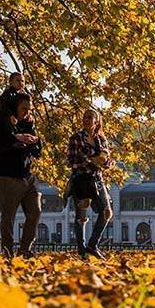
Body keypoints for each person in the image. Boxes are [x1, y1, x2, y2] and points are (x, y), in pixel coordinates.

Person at [0, 92, 43, 258]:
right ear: (15, 107)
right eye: (23, 108)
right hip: (7, 177)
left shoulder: (29, 125)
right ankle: (8, 252)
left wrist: (34, 142)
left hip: (28, 177)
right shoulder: (2, 124)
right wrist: (16, 140)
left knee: (35, 212)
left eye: (29, 109)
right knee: (8, 218)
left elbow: (38, 152)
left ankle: (25, 249)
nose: (27, 112)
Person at [66, 109, 113, 259]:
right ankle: (82, 251)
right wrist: (92, 160)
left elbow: (108, 162)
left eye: (89, 117)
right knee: (81, 216)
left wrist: (105, 162)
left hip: (97, 179)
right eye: (84, 117)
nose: (86, 119)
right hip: (81, 179)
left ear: (96, 121)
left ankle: (92, 245)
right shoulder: (76, 138)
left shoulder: (101, 139)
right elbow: (71, 162)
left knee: (106, 212)